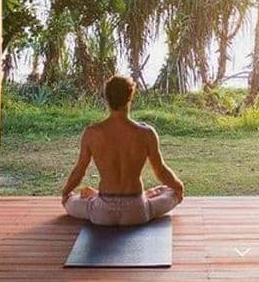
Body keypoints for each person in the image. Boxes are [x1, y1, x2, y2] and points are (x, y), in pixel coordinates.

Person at [61, 75, 185, 226]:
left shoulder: (91, 133)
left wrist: (65, 192)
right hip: (137, 211)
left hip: (102, 212)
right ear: (131, 96)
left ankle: (95, 197)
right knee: (170, 191)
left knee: (71, 199)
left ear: (107, 98)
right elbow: (161, 171)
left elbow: (79, 171)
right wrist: (179, 188)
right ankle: (147, 196)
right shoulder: (147, 133)